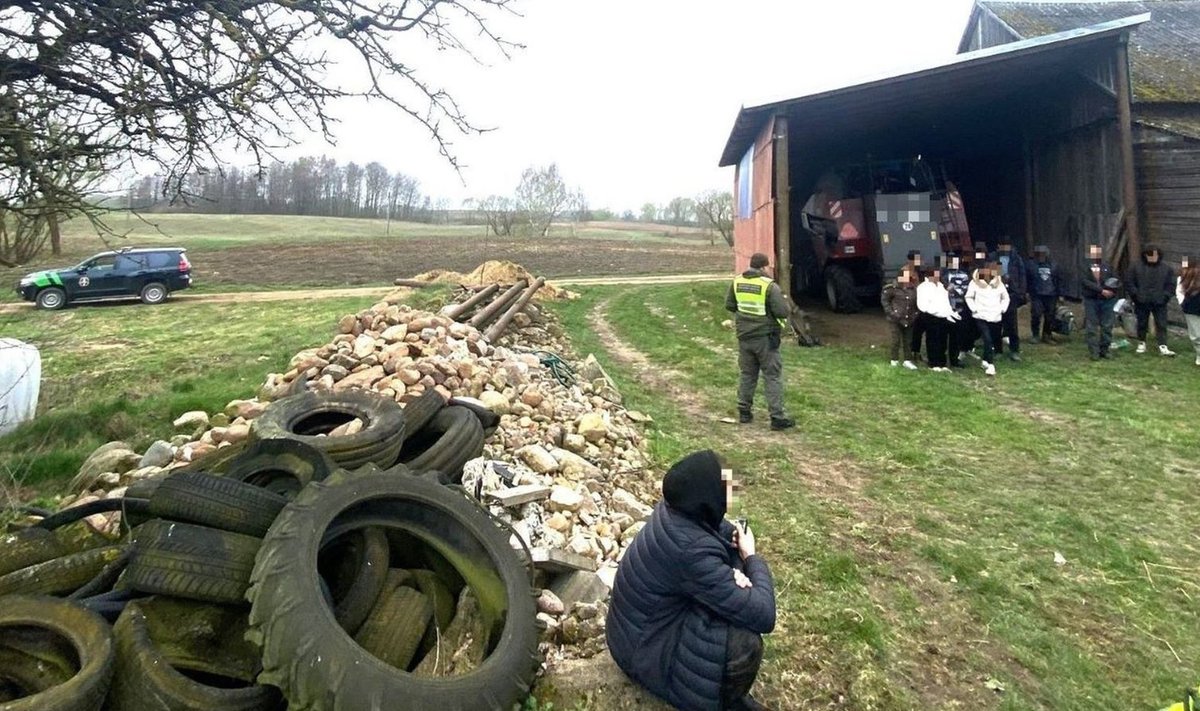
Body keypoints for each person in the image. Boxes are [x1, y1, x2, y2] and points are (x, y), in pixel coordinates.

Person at [607, 450, 776, 711]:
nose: (731, 497)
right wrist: (751, 557)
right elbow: (764, 615)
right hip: (645, 653)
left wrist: (733, 556)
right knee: (745, 641)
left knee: (732, 598)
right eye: (727, 489)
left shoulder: (675, 509)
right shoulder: (691, 550)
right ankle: (726, 702)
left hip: (636, 631)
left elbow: (719, 529)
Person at [725, 254, 795, 431]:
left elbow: (730, 305)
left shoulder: (737, 282)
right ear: (764, 267)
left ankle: (744, 412)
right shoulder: (769, 286)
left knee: (747, 374)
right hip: (765, 338)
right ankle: (777, 417)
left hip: (744, 337)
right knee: (772, 376)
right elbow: (782, 312)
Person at [1125, 243, 1177, 357]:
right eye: (1149, 255)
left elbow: (1171, 284)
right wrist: (1136, 295)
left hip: (1160, 301)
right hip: (1142, 301)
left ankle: (1163, 345)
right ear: (1145, 255)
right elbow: (1129, 282)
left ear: (1159, 255)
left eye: (1154, 255)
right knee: (1142, 322)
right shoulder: (1135, 267)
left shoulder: (1166, 268)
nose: (1152, 258)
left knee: (1161, 323)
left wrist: (1165, 296)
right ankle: (1141, 342)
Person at [965, 261, 1010, 377]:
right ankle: (991, 365)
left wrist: (1002, 309)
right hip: (980, 316)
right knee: (987, 339)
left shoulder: (999, 283)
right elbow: (969, 297)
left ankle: (985, 360)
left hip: (995, 316)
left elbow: (1006, 298)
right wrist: (974, 309)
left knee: (991, 340)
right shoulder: (975, 282)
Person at [916, 266, 959, 372]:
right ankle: (933, 363)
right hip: (931, 316)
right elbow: (922, 304)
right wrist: (934, 311)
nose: (937, 276)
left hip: (943, 316)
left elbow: (945, 302)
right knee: (932, 340)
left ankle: (942, 363)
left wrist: (950, 313)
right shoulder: (923, 287)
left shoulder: (940, 286)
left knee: (942, 341)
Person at [1081, 244, 1120, 360]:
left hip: (1107, 301)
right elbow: (1085, 282)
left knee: (1107, 326)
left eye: (1097, 252)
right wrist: (1101, 290)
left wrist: (1112, 291)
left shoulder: (1108, 267)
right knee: (1091, 326)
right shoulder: (1084, 267)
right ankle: (1094, 351)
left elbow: (1116, 279)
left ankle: (1105, 350)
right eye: (1093, 252)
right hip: (1091, 300)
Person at [995, 237, 1027, 361]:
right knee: (997, 323)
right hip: (996, 294)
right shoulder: (993, 257)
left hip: (1012, 294)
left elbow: (1022, 275)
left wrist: (1021, 291)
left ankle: (1014, 350)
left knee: (1012, 324)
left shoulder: (1016, 258)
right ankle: (998, 350)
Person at [881, 267, 919, 369]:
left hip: (909, 318)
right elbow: (885, 301)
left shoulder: (913, 288)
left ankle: (907, 360)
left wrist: (915, 314)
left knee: (908, 341)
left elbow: (917, 303)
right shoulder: (892, 287)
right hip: (895, 319)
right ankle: (894, 359)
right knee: (896, 340)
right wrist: (891, 313)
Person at [1027, 245, 1062, 343]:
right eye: (1039, 254)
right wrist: (1027, 292)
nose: (1041, 256)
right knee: (1036, 315)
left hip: (1051, 294)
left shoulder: (1054, 265)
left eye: (1043, 254)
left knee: (1050, 316)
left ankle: (1047, 335)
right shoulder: (1031, 265)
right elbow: (1028, 280)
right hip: (1037, 294)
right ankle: (1035, 335)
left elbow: (1058, 280)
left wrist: (1060, 294)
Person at [943, 253, 973, 368]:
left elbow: (965, 291)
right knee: (942, 336)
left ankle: (954, 359)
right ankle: (941, 358)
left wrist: (953, 290)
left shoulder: (964, 275)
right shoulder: (942, 275)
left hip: (958, 309)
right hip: (945, 309)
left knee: (956, 336)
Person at [1177, 255, 1200, 366]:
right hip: (1191, 308)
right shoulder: (1182, 276)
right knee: (1196, 335)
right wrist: (1182, 303)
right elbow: (1179, 291)